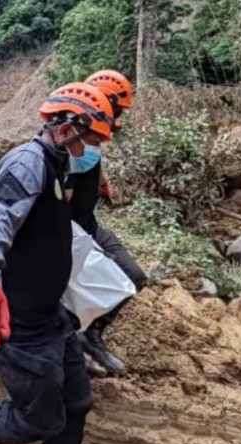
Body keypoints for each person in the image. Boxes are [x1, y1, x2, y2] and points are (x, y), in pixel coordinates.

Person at [0, 83, 115, 444]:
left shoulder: (59, 164)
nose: (91, 152)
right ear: (66, 130)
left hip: (52, 314)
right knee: (40, 419)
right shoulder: (28, 163)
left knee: (78, 403)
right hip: (20, 322)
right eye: (90, 141)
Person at [66, 70, 147, 375]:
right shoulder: (68, 140)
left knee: (133, 276)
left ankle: (92, 334)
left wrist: (104, 185)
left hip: (89, 224)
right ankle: (69, 348)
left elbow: (95, 161)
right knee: (64, 295)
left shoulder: (93, 138)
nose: (118, 116)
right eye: (118, 109)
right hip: (68, 234)